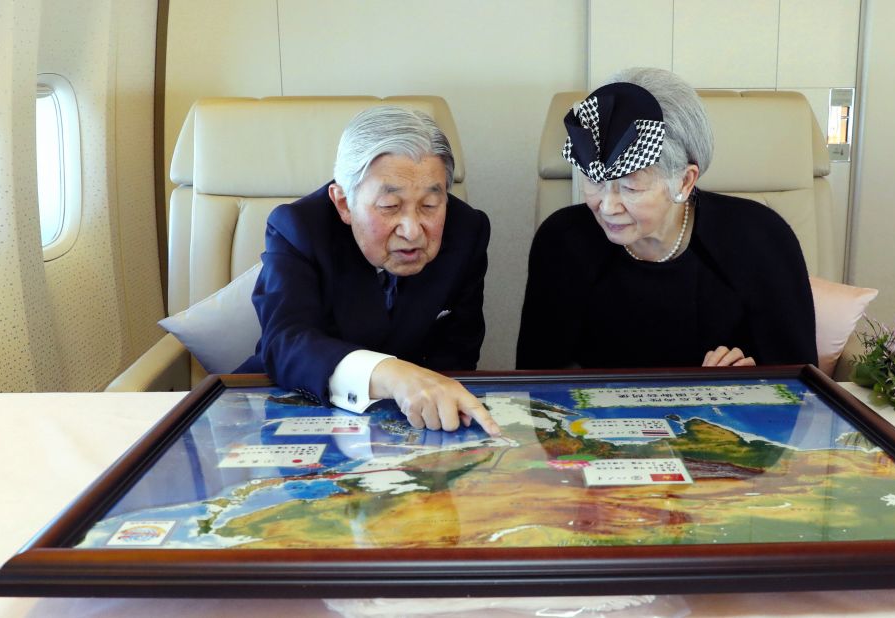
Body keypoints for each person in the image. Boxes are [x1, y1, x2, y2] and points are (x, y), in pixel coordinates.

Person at [516, 68, 817, 370]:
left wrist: (747, 386)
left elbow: (801, 386)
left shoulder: (761, 240)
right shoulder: (561, 241)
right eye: (595, 181)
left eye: (631, 186)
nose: (607, 206)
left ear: (685, 182)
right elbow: (536, 381)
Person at [236, 106, 500, 436]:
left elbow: (459, 351)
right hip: (298, 408)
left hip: (411, 424)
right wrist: (391, 374)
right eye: (390, 207)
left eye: (430, 206)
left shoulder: (467, 230)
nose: (413, 230)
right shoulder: (299, 227)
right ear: (344, 203)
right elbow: (285, 341)